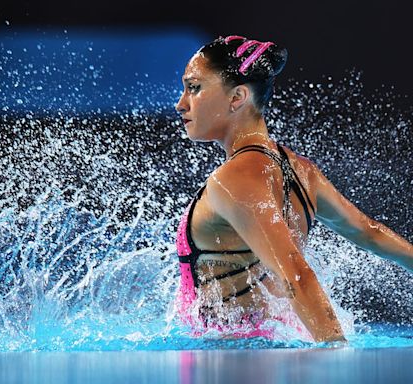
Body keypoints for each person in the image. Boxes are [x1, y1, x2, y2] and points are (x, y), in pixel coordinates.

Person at [174, 35, 413, 343]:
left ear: (237, 98)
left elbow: (296, 276)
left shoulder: (233, 179)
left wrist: (335, 355)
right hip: (272, 343)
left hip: (234, 357)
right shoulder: (300, 170)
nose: (181, 104)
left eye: (194, 88)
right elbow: (370, 232)